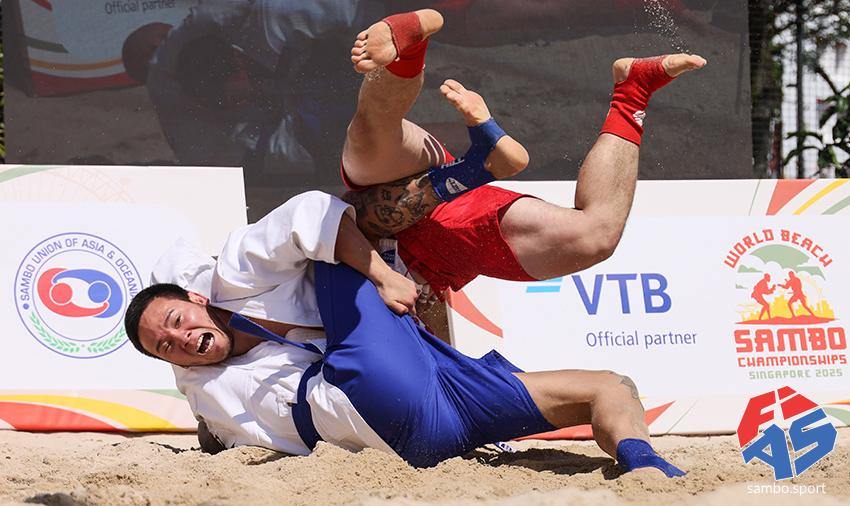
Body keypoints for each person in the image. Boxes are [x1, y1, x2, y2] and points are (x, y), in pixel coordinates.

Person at [123, 8, 702, 477]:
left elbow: (312, 214)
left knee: (363, 167)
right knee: (594, 237)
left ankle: (408, 56)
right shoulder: (203, 379)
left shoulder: (235, 274)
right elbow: (218, 405)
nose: (180, 340)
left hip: (382, 217)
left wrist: (379, 273)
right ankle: (631, 92)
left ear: (194, 299)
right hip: (427, 266)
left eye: (174, 324)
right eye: (167, 346)